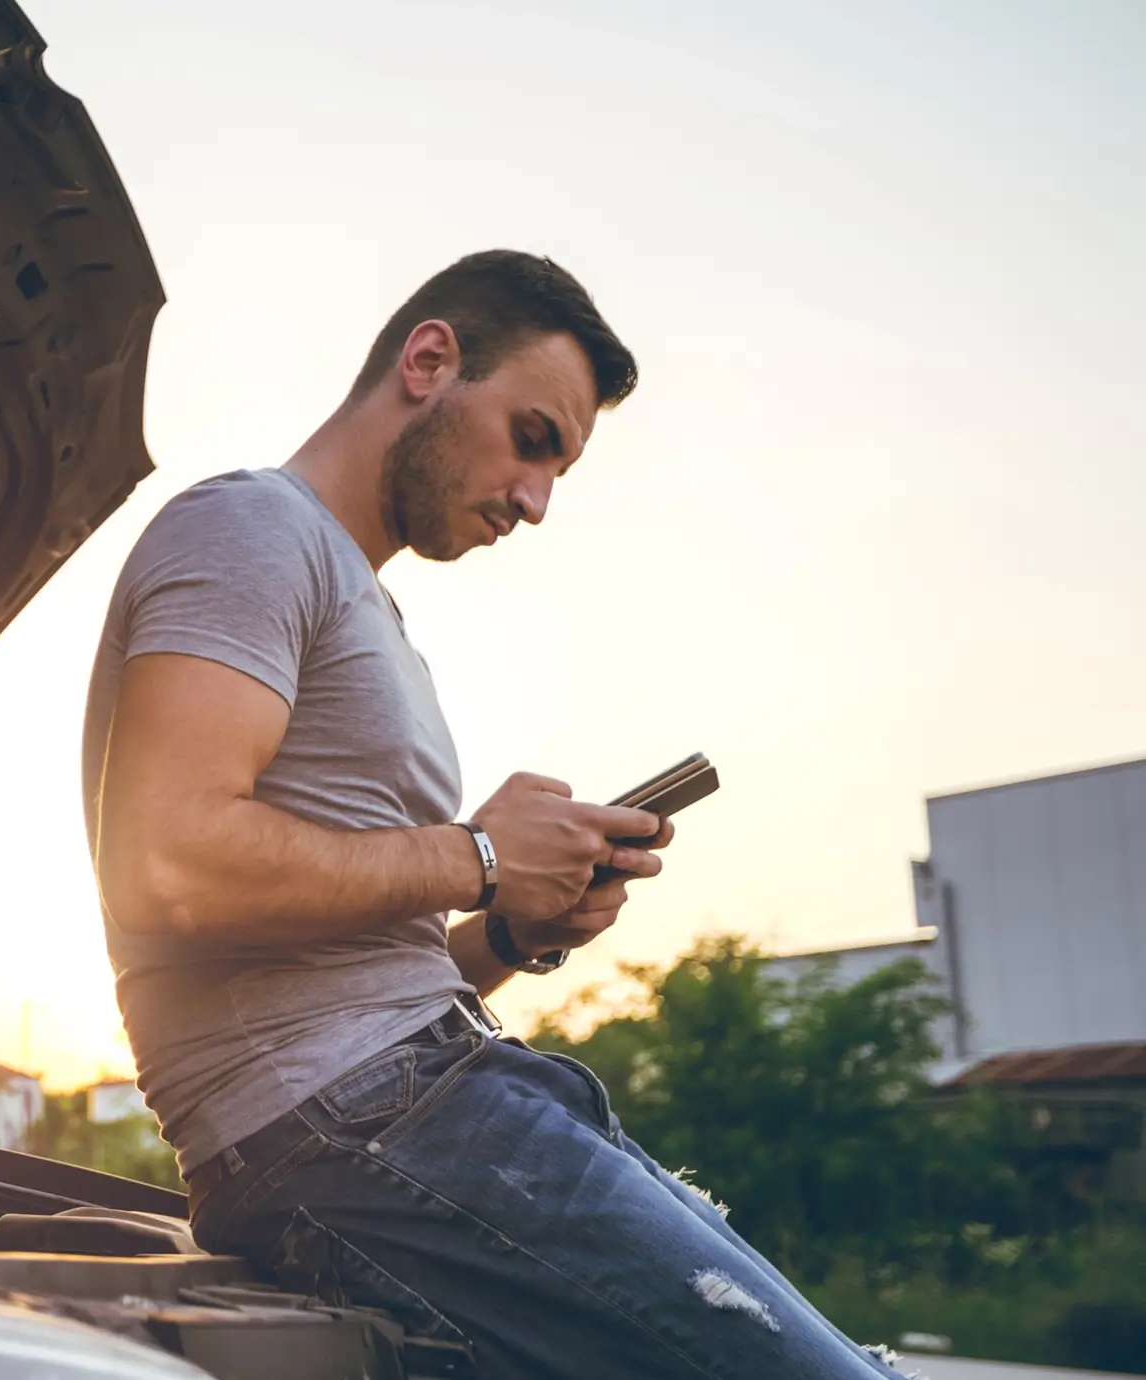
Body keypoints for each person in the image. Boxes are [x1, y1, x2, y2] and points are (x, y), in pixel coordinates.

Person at [81, 250, 906, 1379]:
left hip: (412, 1098)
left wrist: (512, 931)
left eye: (558, 471)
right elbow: (167, 864)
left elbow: (364, 967)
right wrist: (476, 854)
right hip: (350, 1126)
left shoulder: (372, 610)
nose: (534, 502)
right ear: (430, 361)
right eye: (532, 440)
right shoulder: (249, 529)